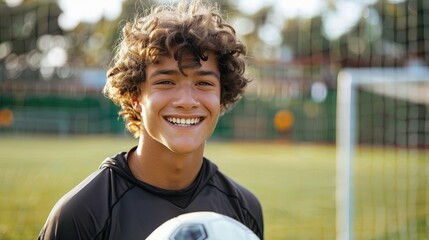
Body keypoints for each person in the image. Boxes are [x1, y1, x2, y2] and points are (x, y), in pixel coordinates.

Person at [38, 0, 264, 239]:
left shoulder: (244, 209)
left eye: (203, 83)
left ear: (221, 96)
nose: (187, 101)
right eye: (166, 82)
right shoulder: (82, 214)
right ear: (136, 95)